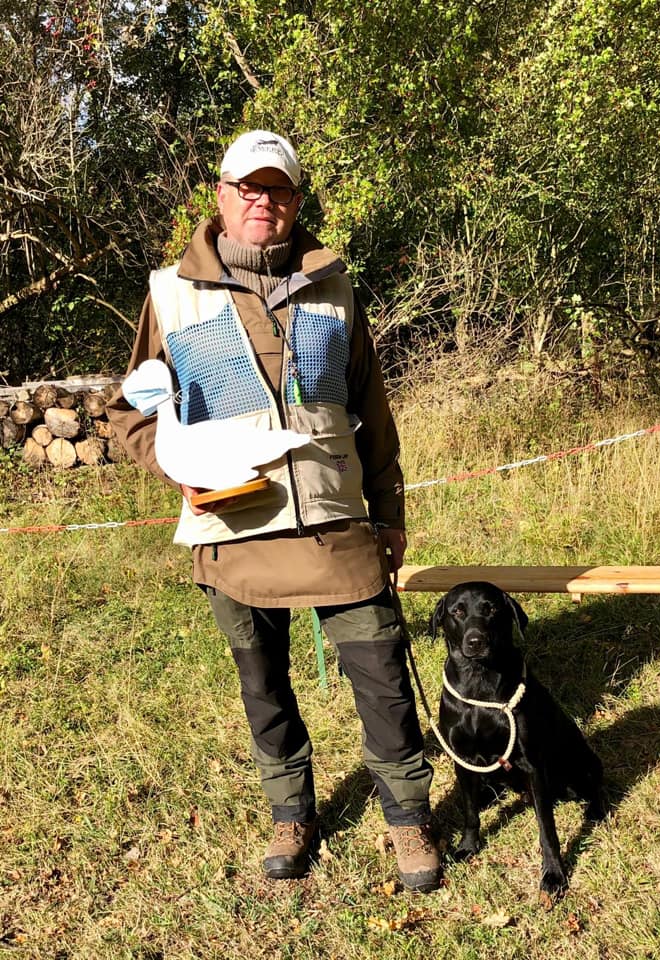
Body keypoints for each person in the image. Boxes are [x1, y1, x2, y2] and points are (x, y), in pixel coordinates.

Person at [107, 130, 441, 893]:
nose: (264, 203)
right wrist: (177, 467)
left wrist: (388, 514)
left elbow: (372, 413)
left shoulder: (335, 286)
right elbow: (131, 412)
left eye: (279, 190)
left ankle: (407, 818)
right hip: (233, 530)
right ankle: (291, 811)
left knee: (382, 673)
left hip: (335, 524)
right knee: (263, 685)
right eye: (248, 189)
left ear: (296, 203)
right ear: (220, 198)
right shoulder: (172, 293)